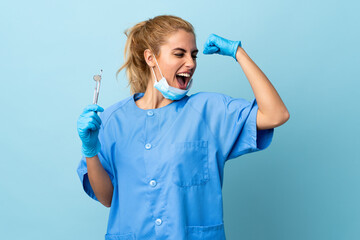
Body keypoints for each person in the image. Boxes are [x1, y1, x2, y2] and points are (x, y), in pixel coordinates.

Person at [76, 15, 289, 240]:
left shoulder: (209, 111)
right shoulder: (112, 120)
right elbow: (108, 198)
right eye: (179, 54)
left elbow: (277, 114)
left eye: (194, 55)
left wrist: (239, 53)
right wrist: (90, 150)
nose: (191, 63)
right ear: (150, 58)